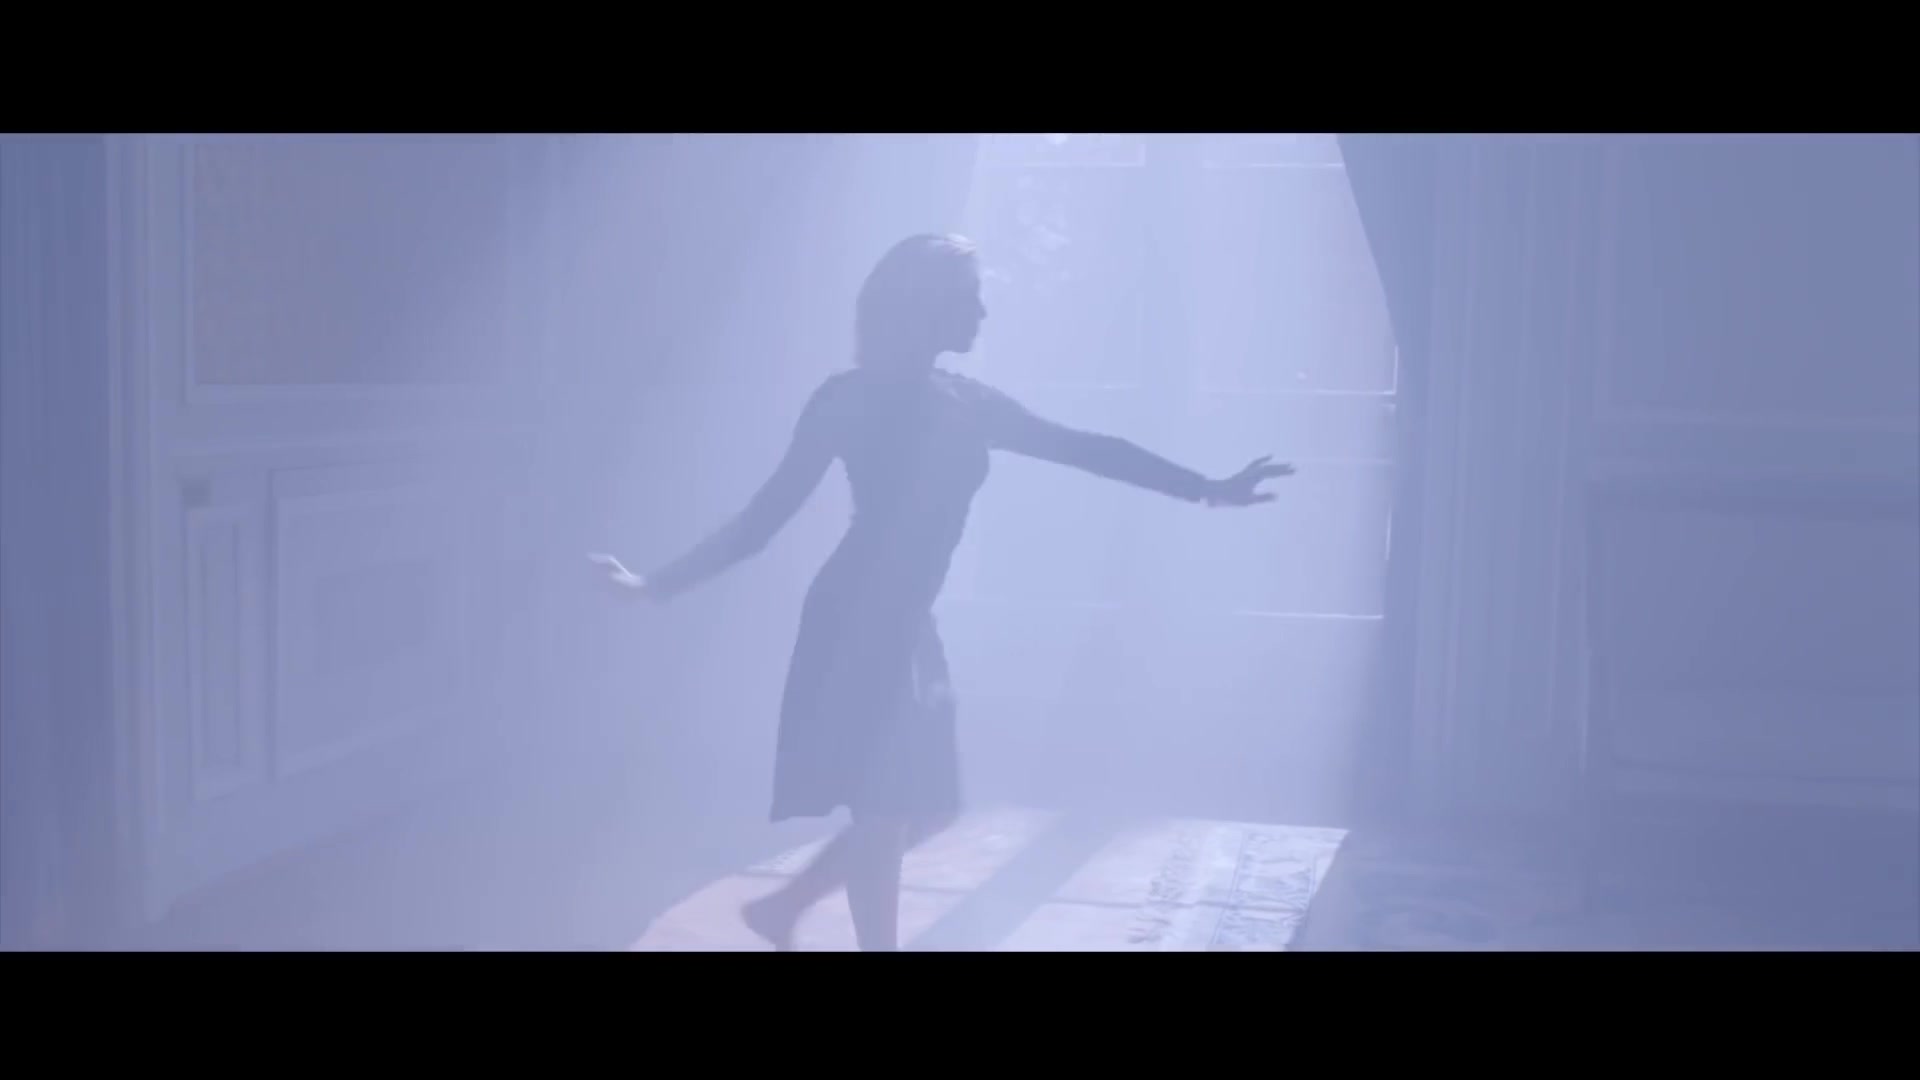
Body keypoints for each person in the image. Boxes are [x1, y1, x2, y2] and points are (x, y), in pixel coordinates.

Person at [591, 233, 1292, 951]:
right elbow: (762, 520)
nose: (982, 312)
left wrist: (1205, 488)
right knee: (886, 807)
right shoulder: (846, 400)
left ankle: (783, 908)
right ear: (925, 305)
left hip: (907, 623)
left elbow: (1084, 448)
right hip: (856, 617)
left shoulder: (966, 401)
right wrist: (654, 585)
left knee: (926, 807)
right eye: (969, 298)